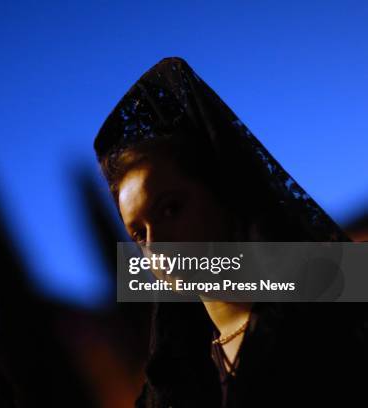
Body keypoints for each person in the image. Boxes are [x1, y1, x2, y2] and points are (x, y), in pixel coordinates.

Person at [93, 57, 368, 407]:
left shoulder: (338, 309)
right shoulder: (173, 383)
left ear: (222, 192)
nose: (157, 245)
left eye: (170, 208)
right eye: (139, 234)